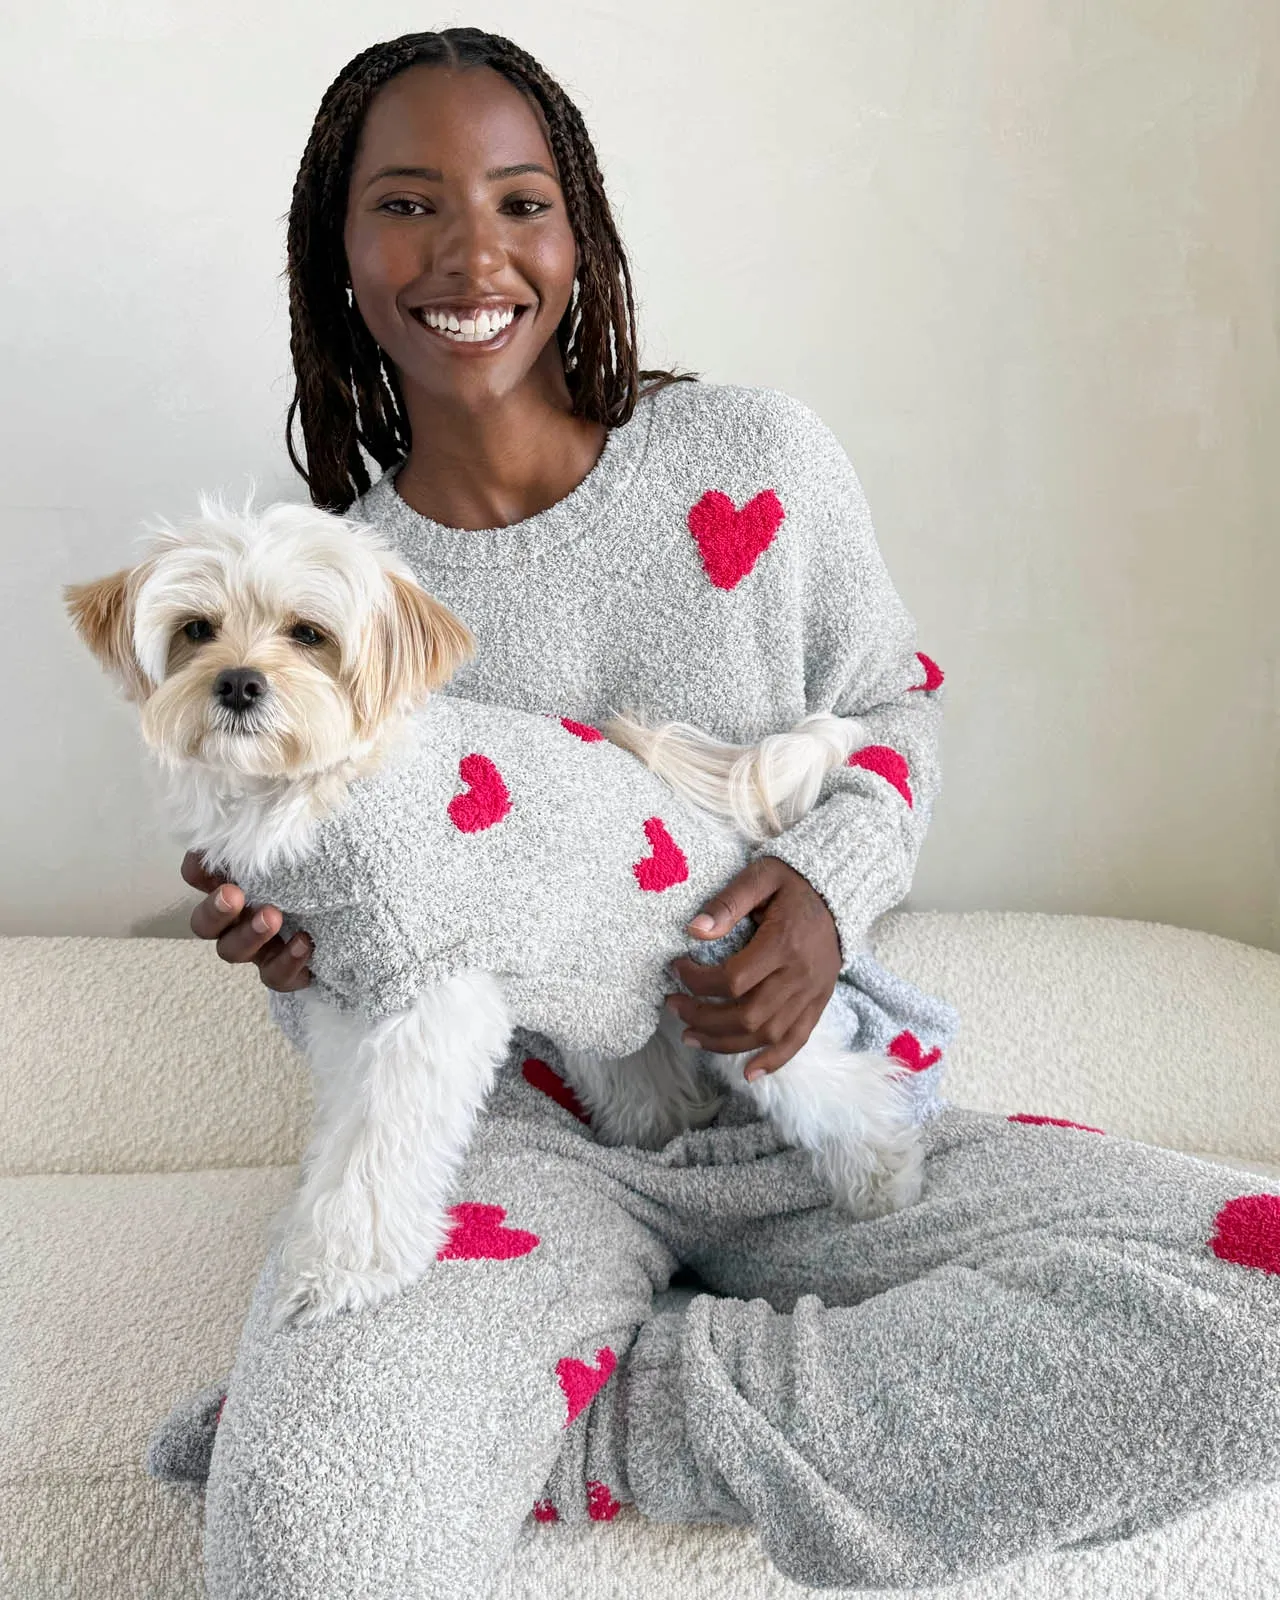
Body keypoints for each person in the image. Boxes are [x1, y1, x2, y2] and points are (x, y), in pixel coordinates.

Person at [145, 27, 1280, 1599]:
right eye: (406, 205)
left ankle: (615, 1408)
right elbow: (376, 938)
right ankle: (475, 1382)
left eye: (520, 202)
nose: (471, 252)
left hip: (794, 1101)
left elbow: (894, 712)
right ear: (335, 250)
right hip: (510, 1153)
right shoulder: (323, 589)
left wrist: (818, 895)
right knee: (301, 1546)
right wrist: (297, 959)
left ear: (579, 232)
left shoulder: (754, 457)